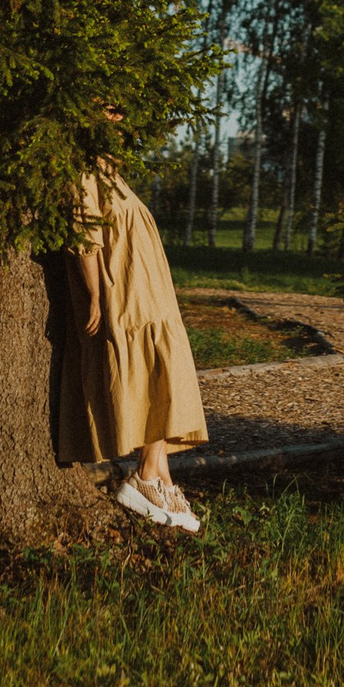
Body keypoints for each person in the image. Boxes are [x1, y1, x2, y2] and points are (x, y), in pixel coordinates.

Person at [55, 117, 207, 531]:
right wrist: (96, 293)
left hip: (149, 290)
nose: (121, 123)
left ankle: (161, 480)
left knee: (162, 370)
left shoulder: (111, 173)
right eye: (111, 115)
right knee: (149, 372)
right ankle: (144, 476)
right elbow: (84, 231)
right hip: (125, 292)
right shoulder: (82, 170)